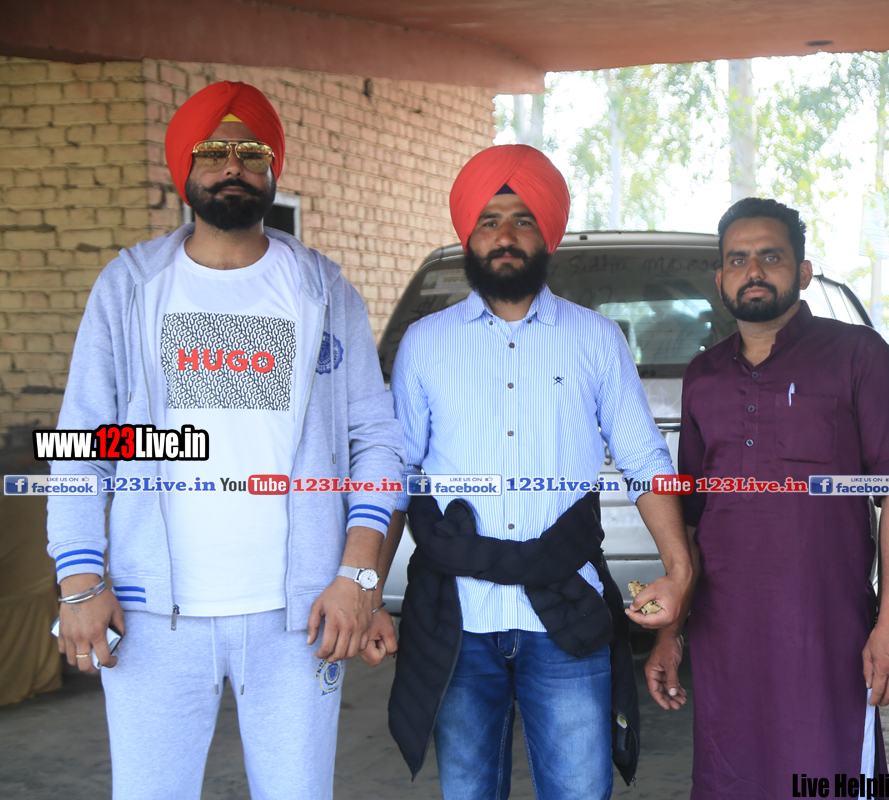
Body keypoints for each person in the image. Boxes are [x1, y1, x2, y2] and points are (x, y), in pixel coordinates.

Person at [46, 81, 403, 800]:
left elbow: (375, 440)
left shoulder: (322, 289)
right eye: (213, 150)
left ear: (273, 168)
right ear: (185, 166)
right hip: (152, 614)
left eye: (250, 151)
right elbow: (81, 440)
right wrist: (79, 579)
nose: (232, 165)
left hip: (299, 612)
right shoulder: (129, 287)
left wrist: (358, 577)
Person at [370, 144, 694, 800]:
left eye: (523, 220)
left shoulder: (595, 339)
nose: (506, 235)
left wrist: (679, 569)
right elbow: (396, 472)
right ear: (469, 237)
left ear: (547, 235)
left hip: (565, 614)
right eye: (489, 221)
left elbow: (644, 461)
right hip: (458, 616)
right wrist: (369, 591)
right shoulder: (426, 344)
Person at [645, 197, 889, 796]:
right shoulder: (703, 375)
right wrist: (671, 632)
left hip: (827, 633)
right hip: (725, 638)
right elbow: (692, 519)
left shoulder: (858, 355)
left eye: (770, 257)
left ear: (803, 271)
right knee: (732, 778)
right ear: (719, 279)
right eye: (737, 259)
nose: (752, 271)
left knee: (829, 775)